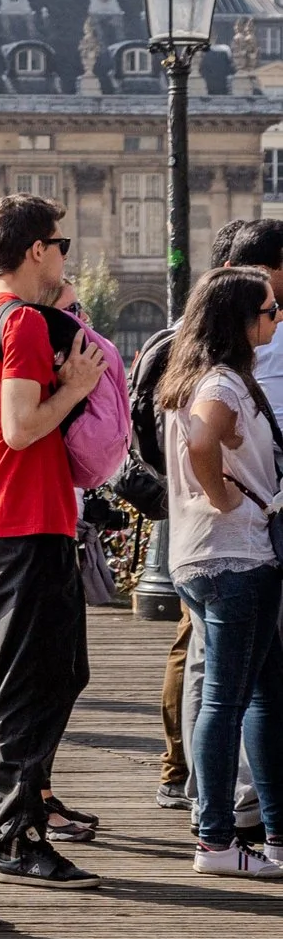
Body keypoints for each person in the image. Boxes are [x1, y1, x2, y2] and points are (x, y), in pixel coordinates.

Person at [0, 193, 107, 889]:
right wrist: (74, 387)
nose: (65, 255)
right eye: (62, 243)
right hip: (27, 519)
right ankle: (18, 834)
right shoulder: (19, 324)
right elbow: (20, 427)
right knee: (36, 681)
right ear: (36, 250)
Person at [158, 265, 283, 878]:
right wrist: (226, 497)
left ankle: (270, 831)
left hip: (202, 555)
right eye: (268, 311)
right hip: (232, 554)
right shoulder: (222, 384)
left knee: (258, 693)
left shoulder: (197, 379)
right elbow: (203, 444)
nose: (276, 317)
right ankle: (214, 839)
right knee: (228, 699)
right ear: (240, 321)